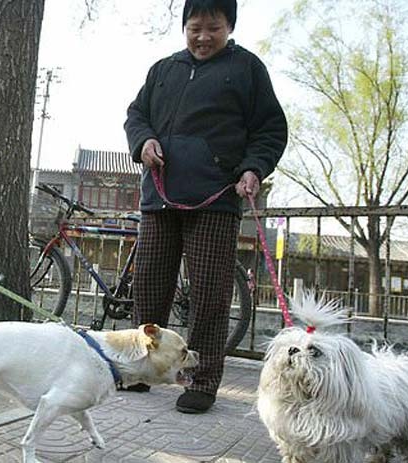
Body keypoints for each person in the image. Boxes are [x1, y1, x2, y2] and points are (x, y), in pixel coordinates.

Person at [124, 0, 287, 413]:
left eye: (213, 28)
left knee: (211, 295)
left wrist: (253, 167)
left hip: (216, 199)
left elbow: (270, 129)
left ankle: (202, 379)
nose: (203, 37)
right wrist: (143, 142)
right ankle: (142, 370)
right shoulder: (163, 69)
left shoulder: (247, 69)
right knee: (148, 289)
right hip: (159, 197)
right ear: (185, 27)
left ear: (229, 27)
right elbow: (136, 115)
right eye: (195, 27)